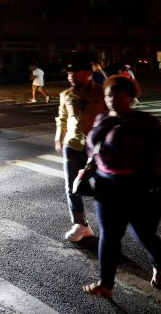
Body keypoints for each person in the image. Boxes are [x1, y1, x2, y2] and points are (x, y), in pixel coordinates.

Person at [81, 75, 161, 298]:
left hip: (137, 186)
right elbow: (95, 150)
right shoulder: (102, 119)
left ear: (131, 97)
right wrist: (89, 168)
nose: (112, 99)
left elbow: (158, 157)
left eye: (117, 95)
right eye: (108, 95)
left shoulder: (146, 123)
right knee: (109, 235)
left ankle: (160, 266)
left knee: (143, 233)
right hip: (106, 185)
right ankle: (105, 284)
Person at [55, 60, 106, 242]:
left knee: (101, 185)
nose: (71, 77)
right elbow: (62, 118)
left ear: (88, 74)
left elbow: (110, 116)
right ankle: (80, 224)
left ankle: (109, 224)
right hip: (72, 145)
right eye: (69, 74)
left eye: (76, 73)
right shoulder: (66, 95)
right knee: (72, 186)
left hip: (97, 148)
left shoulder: (101, 91)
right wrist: (58, 138)